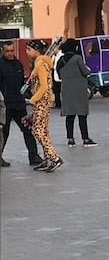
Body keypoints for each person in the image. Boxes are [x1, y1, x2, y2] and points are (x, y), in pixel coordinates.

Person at [0, 40, 43, 167]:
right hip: (5, 105)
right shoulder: (0, 64)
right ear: (2, 51)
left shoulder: (18, 64)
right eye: (7, 51)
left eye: (12, 50)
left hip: (19, 105)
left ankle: (33, 156)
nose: (10, 53)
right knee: (4, 133)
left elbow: (22, 83)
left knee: (28, 130)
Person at [26, 39, 62, 172]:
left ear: (36, 50)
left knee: (38, 131)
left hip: (41, 100)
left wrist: (33, 99)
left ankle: (54, 157)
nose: (27, 52)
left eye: (29, 49)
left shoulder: (40, 64)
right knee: (44, 130)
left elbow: (44, 86)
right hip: (45, 100)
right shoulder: (42, 62)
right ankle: (48, 160)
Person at [56, 38, 97, 148]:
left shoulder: (61, 60)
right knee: (82, 115)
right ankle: (85, 138)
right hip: (79, 90)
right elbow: (86, 71)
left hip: (66, 90)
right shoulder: (77, 58)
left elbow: (59, 75)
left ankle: (70, 139)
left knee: (69, 116)